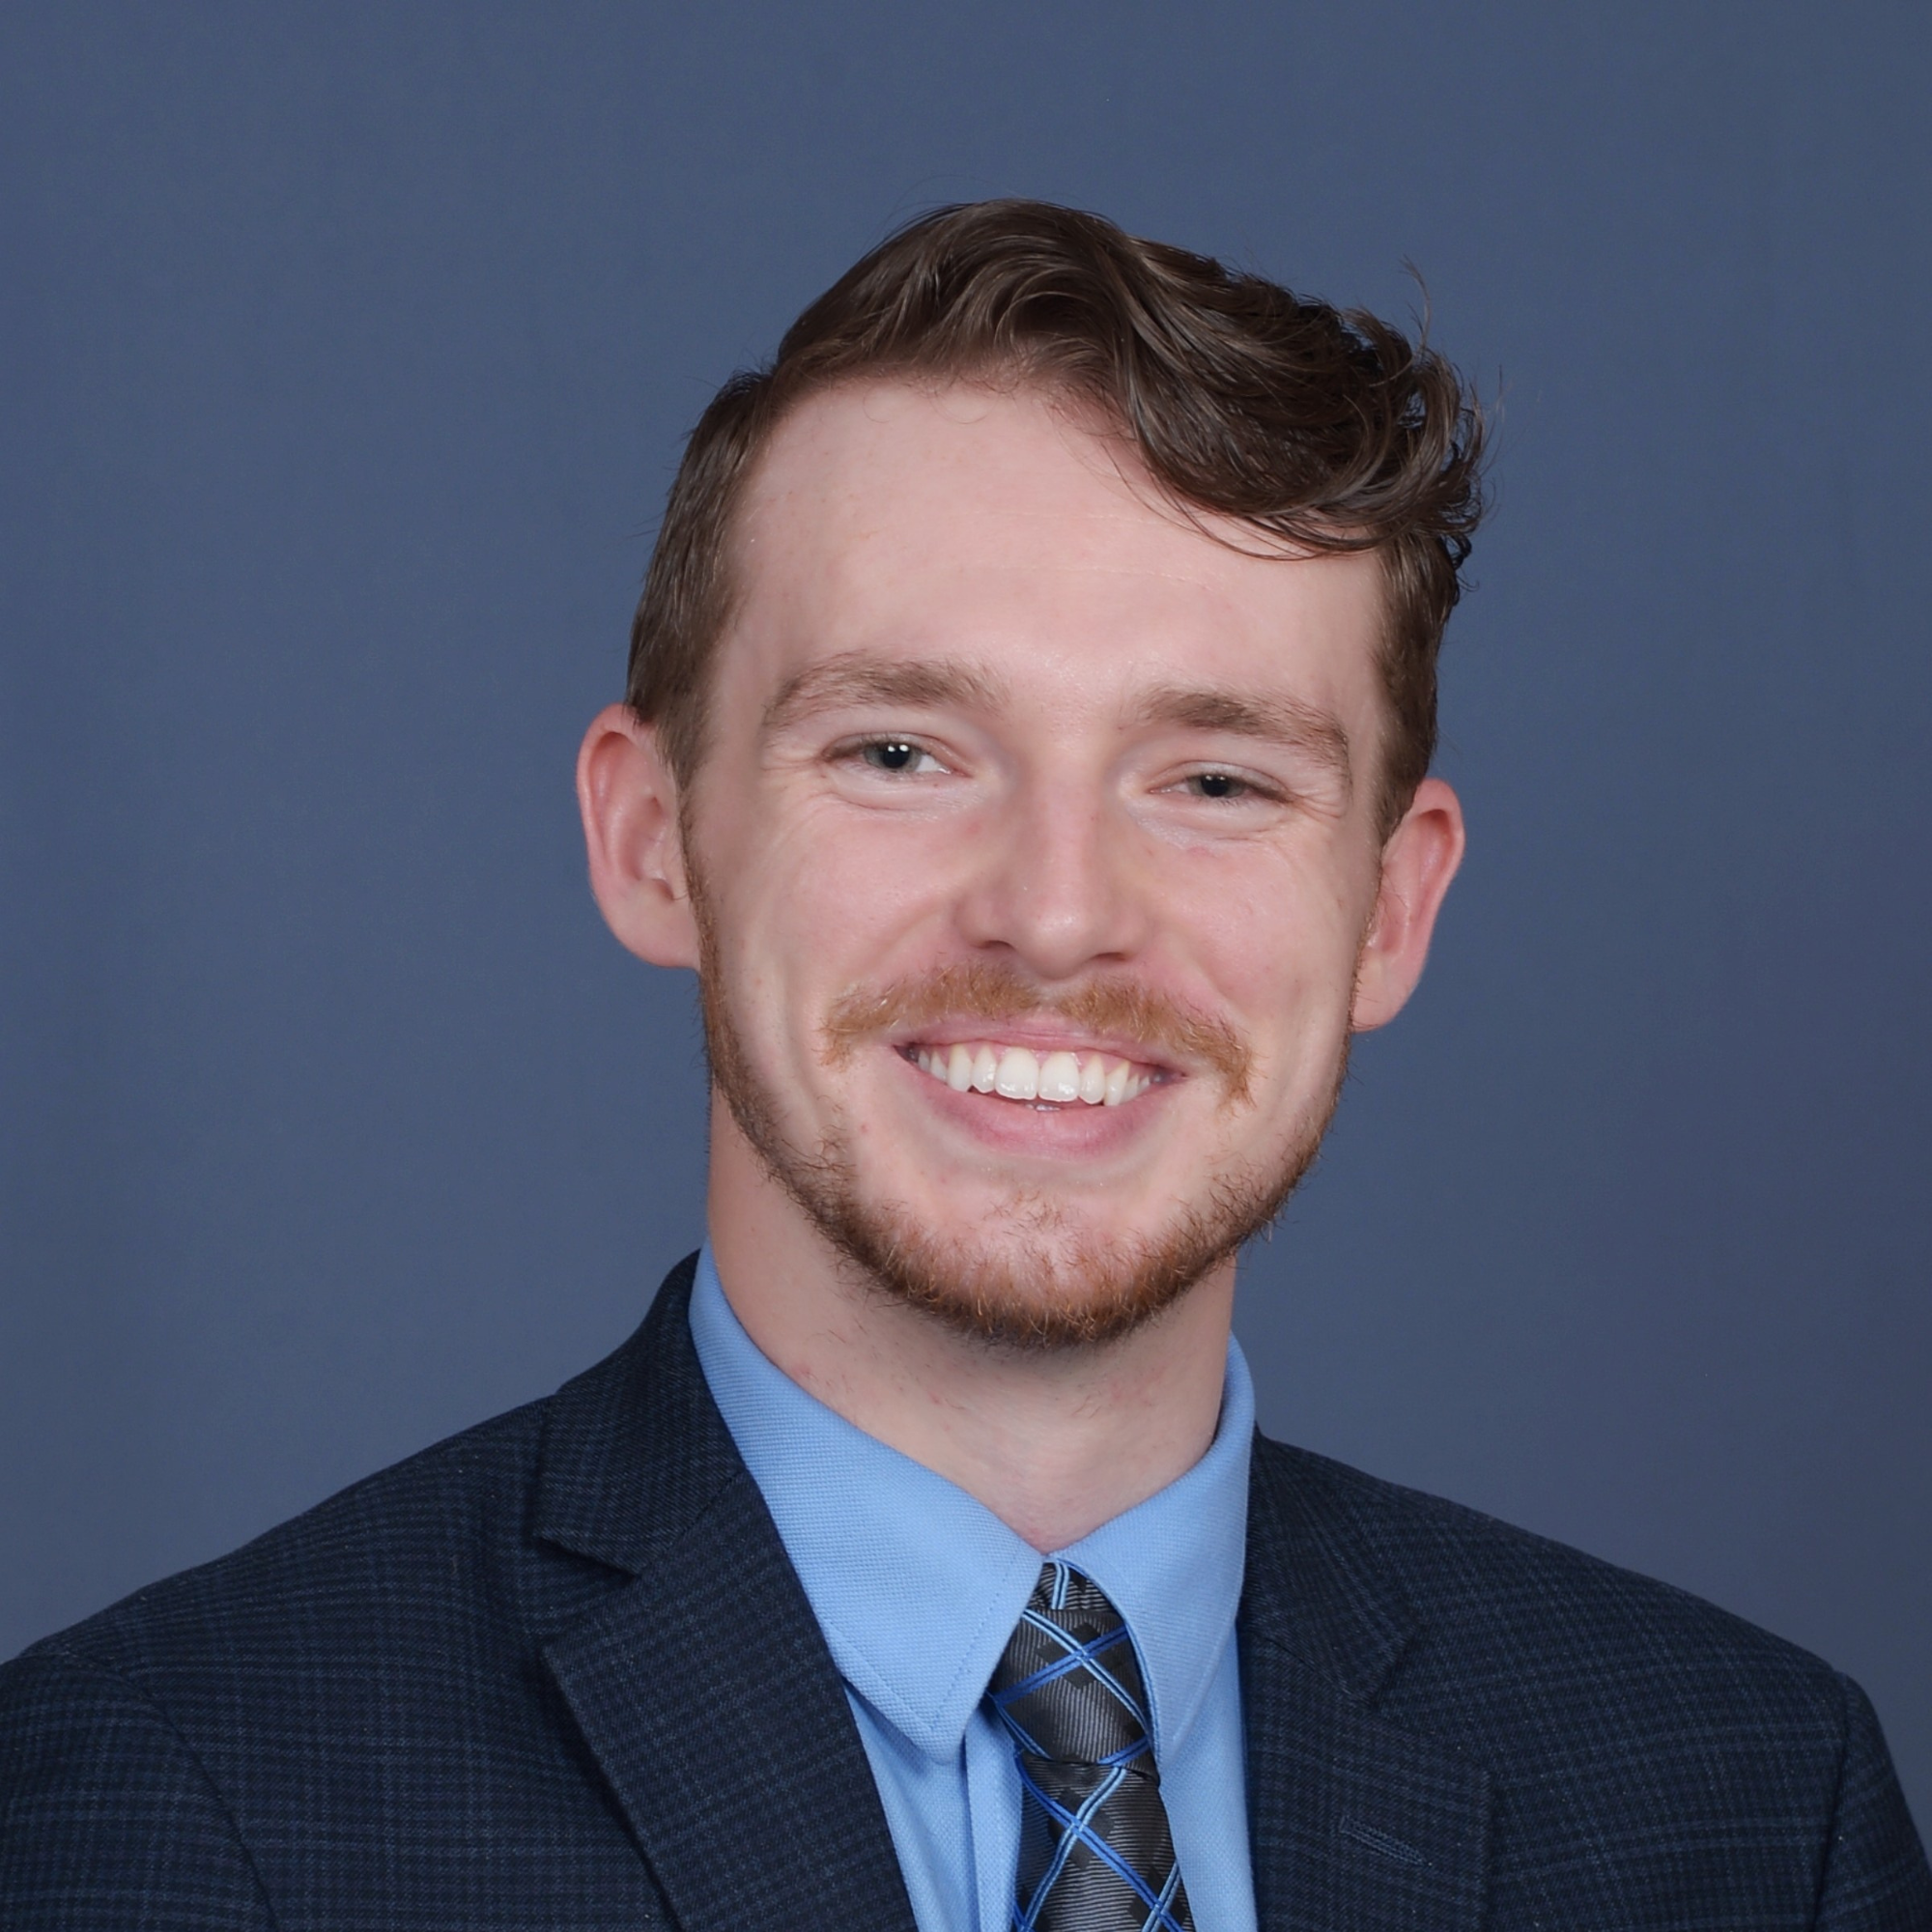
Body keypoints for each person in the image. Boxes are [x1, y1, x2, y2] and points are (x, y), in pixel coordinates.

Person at [1, 199, 1924, 1931]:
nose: (1059, 915)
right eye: (902, 752)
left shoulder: (1753, 1810)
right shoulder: (164, 1800)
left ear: (1390, 911)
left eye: (1215, 779)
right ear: (652, 838)